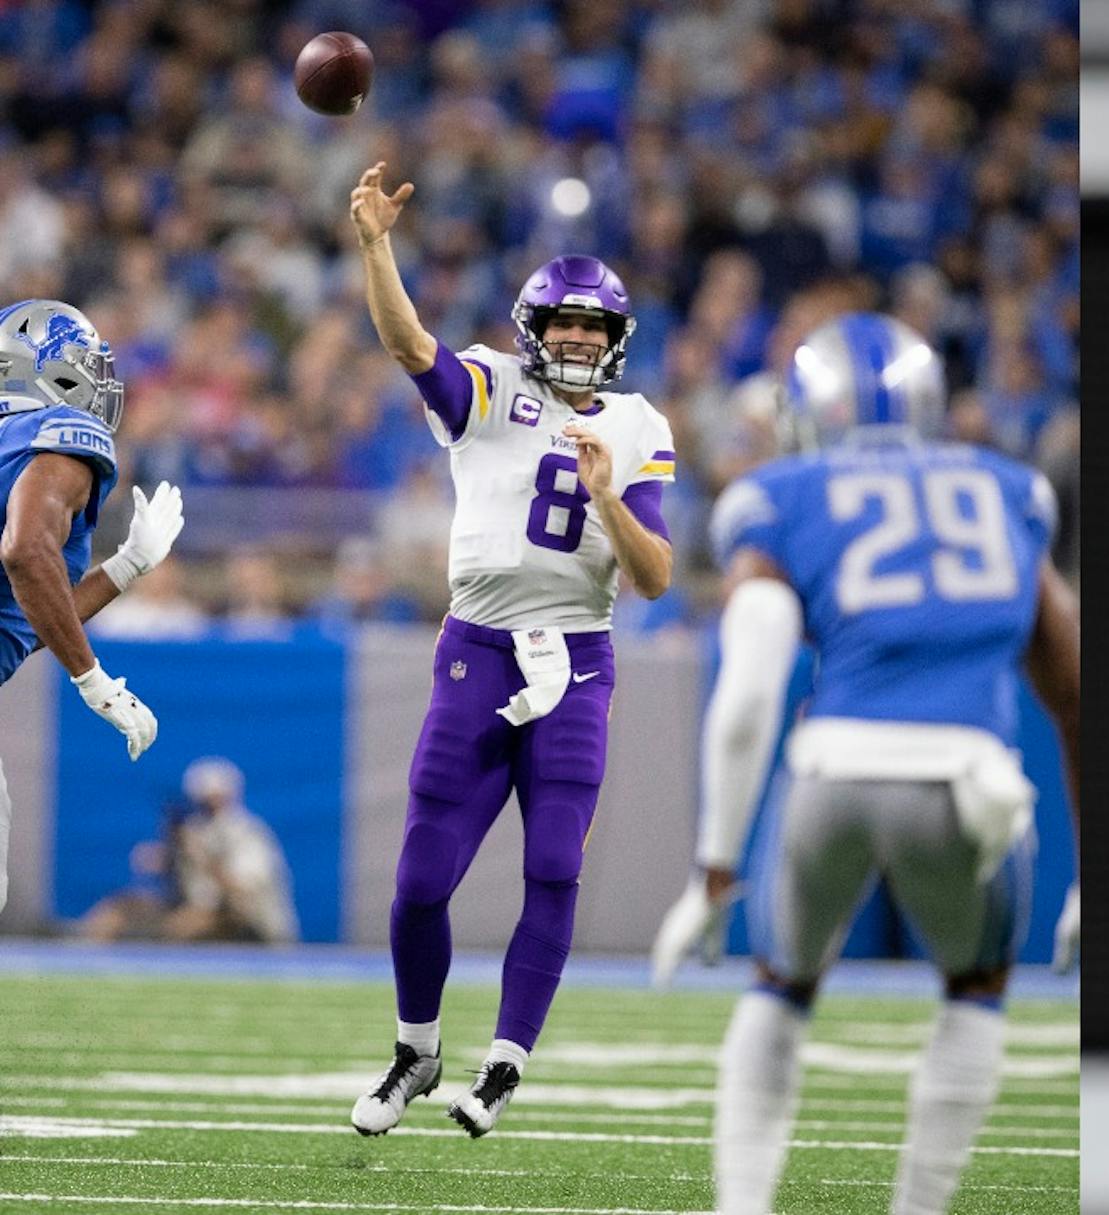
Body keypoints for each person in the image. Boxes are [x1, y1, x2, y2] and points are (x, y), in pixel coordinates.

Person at [655, 313, 1078, 1215]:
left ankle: (741, 1206)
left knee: (780, 985)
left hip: (832, 773)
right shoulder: (1008, 488)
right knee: (974, 988)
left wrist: (713, 867)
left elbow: (749, 694)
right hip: (968, 786)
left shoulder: (778, 495)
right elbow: (1074, 687)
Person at [345, 162, 677, 1139]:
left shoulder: (638, 423)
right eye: (565, 323)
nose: (578, 338)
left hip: (576, 663)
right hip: (476, 653)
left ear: (616, 341)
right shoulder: (491, 386)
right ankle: (416, 1048)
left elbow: (655, 578)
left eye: (595, 328)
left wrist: (609, 495)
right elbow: (409, 342)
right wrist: (376, 246)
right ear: (537, 327)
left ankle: (505, 1064)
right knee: (419, 880)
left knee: (556, 866)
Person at [0, 299, 185, 915]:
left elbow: (25, 618)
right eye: (83, 363)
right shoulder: (59, 437)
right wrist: (93, 680)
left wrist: (124, 567)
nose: (100, 381)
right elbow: (27, 553)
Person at [80, 756, 298, 944]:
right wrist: (167, 860)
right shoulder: (197, 829)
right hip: (197, 910)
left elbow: (241, 892)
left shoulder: (247, 834)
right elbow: (183, 888)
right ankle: (79, 951)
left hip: (252, 927)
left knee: (187, 923)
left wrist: (201, 858)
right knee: (121, 908)